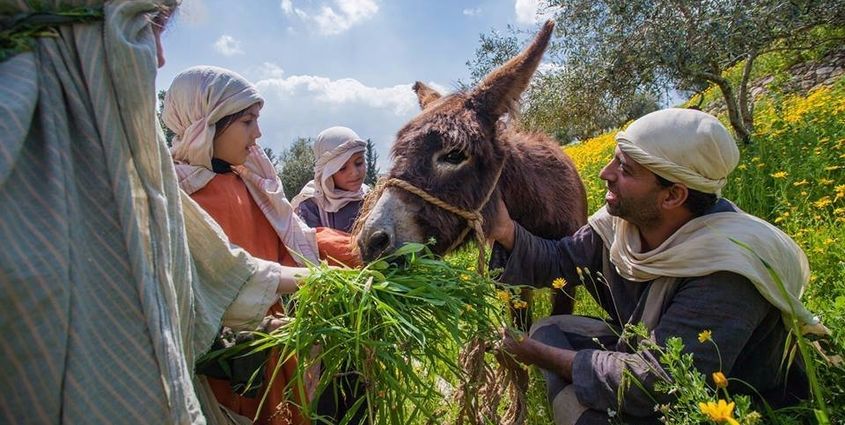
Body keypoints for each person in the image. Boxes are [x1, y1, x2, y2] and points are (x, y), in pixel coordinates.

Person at [0, 3, 316, 424]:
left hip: (267, 351)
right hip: (229, 365)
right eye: (147, 26)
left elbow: (238, 265)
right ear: (207, 122)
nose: (161, 57)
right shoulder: (162, 189)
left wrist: (332, 271)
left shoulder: (243, 186)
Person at [488, 108, 827, 424]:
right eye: (613, 161)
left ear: (672, 196)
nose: (606, 174)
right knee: (551, 329)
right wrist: (506, 231)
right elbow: (560, 260)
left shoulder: (725, 268)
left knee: (578, 405)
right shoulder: (622, 223)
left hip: (722, 402)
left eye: (626, 169)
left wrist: (533, 354)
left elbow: (657, 384)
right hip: (650, 357)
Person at [292, 126, 368, 233]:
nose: (355, 173)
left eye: (359, 163)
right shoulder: (312, 205)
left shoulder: (369, 198)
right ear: (327, 174)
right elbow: (309, 243)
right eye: (342, 168)